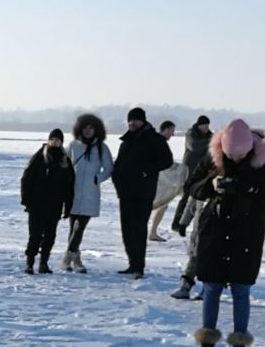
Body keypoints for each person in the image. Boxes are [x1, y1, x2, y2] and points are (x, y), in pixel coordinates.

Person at [188, 119, 265, 347]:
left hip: (247, 231)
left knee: (241, 290)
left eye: (241, 157)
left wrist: (252, 189)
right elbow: (192, 187)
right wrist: (211, 185)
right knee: (211, 287)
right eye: (231, 157)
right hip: (215, 229)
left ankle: (240, 345)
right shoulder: (213, 157)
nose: (236, 161)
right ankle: (206, 341)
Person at [110, 106, 174, 278]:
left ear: (142, 121)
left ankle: (139, 266)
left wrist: (147, 170)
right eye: (129, 120)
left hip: (143, 192)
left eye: (135, 120)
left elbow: (167, 160)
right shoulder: (127, 140)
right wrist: (117, 178)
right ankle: (132, 263)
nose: (131, 123)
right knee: (127, 229)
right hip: (126, 191)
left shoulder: (154, 139)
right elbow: (120, 163)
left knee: (138, 229)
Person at [168, 117, 214, 299]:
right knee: (194, 256)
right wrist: (184, 222)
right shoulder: (191, 134)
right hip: (198, 226)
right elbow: (193, 201)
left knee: (208, 258)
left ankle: (207, 289)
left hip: (213, 228)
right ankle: (186, 285)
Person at [20, 128, 75, 273]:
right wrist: (26, 199)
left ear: (61, 142)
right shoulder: (39, 157)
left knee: (50, 236)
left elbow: (69, 185)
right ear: (48, 140)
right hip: (36, 204)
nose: (54, 142)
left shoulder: (65, 161)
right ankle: (30, 263)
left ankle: (44, 263)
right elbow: (26, 178)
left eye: (57, 140)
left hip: (54, 205)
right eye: (52, 139)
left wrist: (68, 205)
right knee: (35, 235)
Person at [63, 113, 113, 272]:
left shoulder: (101, 148)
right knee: (73, 227)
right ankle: (76, 260)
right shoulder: (73, 146)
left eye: (91, 128)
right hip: (73, 192)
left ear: (96, 129)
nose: (88, 131)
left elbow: (109, 167)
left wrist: (98, 178)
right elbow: (64, 164)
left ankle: (67, 257)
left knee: (80, 227)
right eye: (85, 128)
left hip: (91, 193)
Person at [147, 119, 179, 240]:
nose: (173, 134)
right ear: (166, 129)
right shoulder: (158, 142)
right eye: (172, 131)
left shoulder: (158, 141)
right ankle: (151, 232)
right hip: (156, 181)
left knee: (162, 205)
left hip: (159, 180)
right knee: (159, 204)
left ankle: (152, 232)